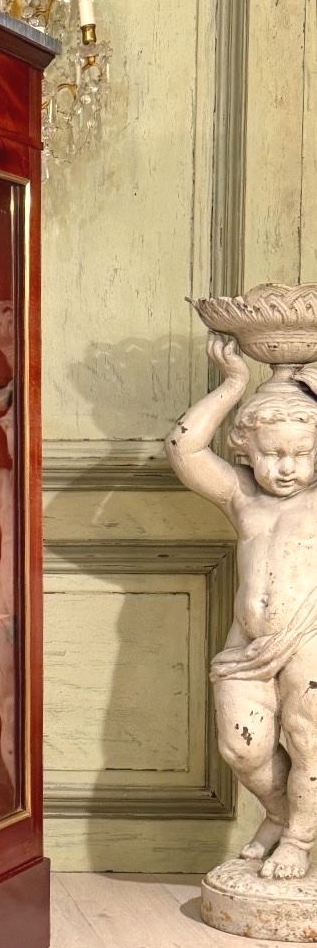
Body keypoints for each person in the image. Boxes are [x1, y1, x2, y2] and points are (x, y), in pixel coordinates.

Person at [166, 330, 317, 879]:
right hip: (246, 644)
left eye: (301, 454)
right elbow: (184, 447)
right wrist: (234, 385)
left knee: (309, 743)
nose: (285, 468)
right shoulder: (242, 496)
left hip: (308, 639)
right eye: (272, 454)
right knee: (241, 748)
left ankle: (298, 841)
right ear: (245, 450)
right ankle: (280, 815)